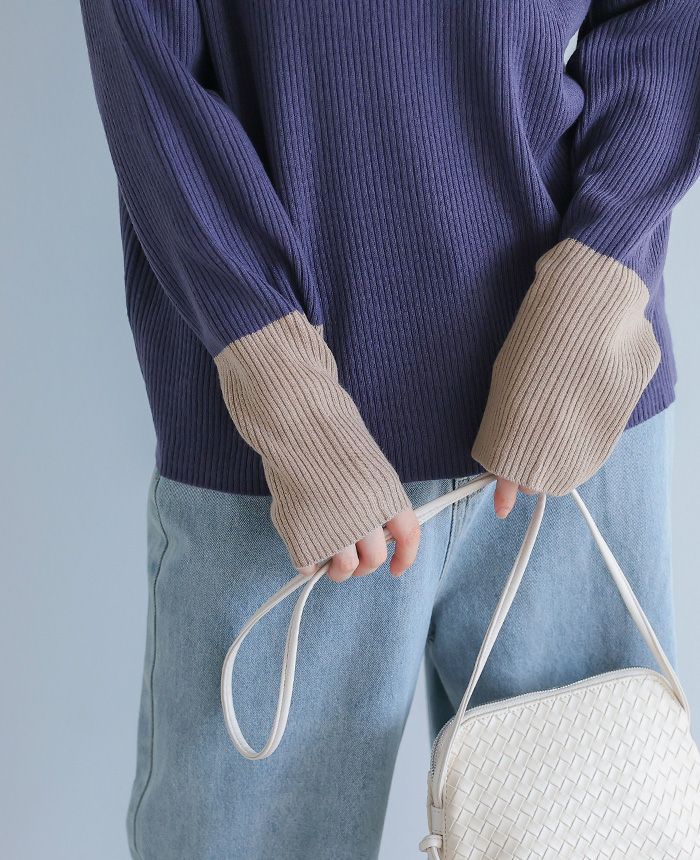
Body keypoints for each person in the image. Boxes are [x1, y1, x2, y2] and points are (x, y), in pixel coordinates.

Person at [80, 1, 699, 857]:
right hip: (283, 464)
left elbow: (668, 22)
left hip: (571, 413)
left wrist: (594, 293)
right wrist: (292, 404)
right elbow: (151, 81)